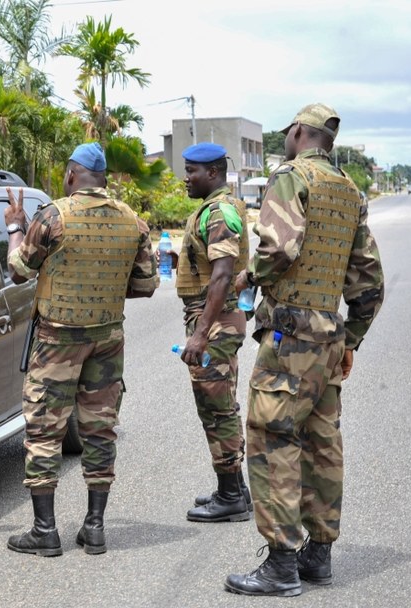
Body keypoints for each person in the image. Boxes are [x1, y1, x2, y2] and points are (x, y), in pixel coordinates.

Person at [225, 104, 384, 596]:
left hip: (289, 338)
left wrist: (250, 280)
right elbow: (369, 282)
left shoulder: (291, 178)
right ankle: (318, 556)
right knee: (322, 444)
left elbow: (278, 250)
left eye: (288, 136)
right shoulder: (349, 190)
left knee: (274, 439)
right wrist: (350, 339)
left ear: (298, 133)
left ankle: (280, 565)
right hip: (329, 337)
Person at [4, 142, 158, 557]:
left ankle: (44, 530)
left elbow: (17, 268)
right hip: (107, 340)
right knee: (99, 429)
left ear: (72, 175)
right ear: (103, 178)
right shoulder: (134, 223)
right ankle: (94, 528)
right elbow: (145, 286)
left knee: (43, 429)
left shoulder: (52, 216)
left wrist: (15, 226)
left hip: (57, 340)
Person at [171, 142, 253, 524]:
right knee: (222, 405)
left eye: (192, 171)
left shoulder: (218, 212)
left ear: (214, 174)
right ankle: (233, 487)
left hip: (216, 322)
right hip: (218, 319)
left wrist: (201, 333)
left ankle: (231, 495)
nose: (186, 178)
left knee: (215, 408)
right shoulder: (216, 209)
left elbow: (222, 274)